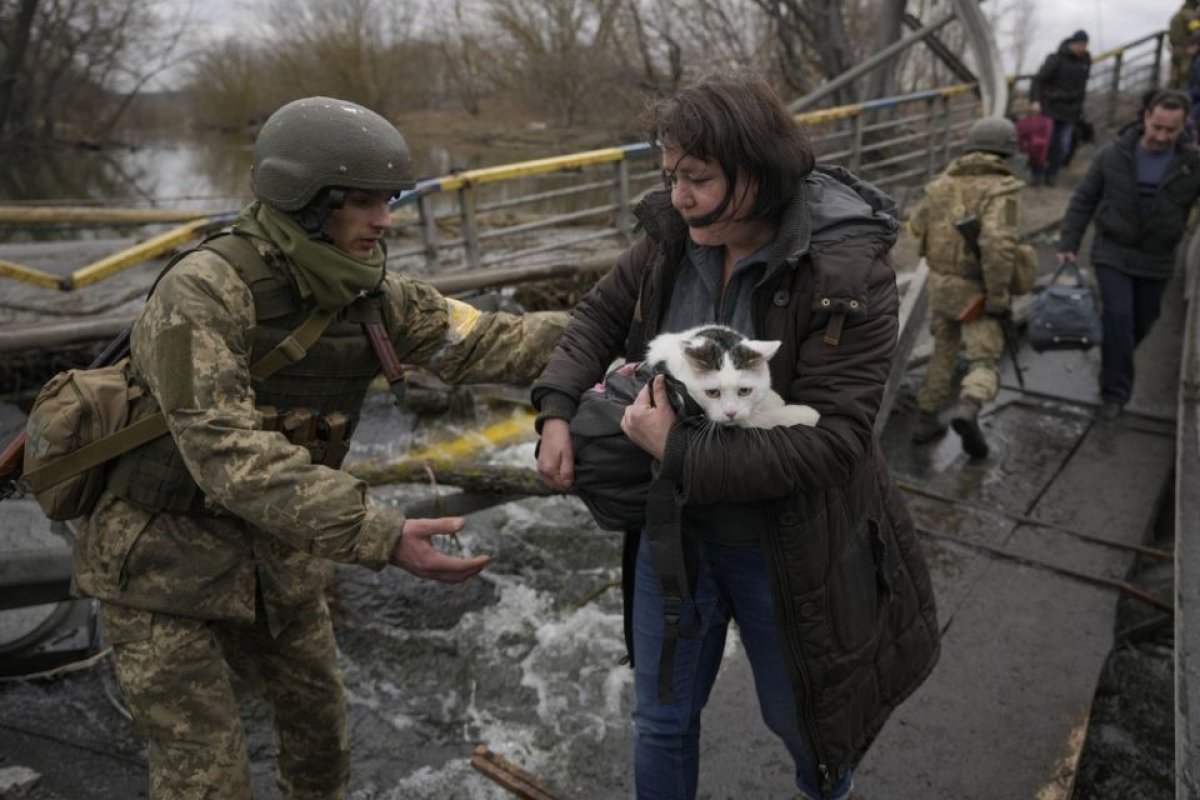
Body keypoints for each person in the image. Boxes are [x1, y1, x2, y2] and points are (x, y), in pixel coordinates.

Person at [71, 96, 568, 799]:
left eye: (388, 201)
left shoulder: (375, 296)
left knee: (322, 746)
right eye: (364, 203)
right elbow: (225, 452)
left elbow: (495, 342)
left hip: (278, 562)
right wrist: (381, 533)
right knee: (204, 779)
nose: (387, 220)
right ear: (307, 201)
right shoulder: (203, 294)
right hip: (159, 568)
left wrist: (630, 325)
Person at [532, 72, 940, 800]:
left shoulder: (845, 272)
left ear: (758, 171)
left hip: (786, 546)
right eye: (669, 175)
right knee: (660, 720)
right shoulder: (670, 240)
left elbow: (836, 440)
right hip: (677, 531)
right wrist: (557, 410)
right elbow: (597, 317)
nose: (678, 196)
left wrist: (679, 448)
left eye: (697, 178)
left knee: (805, 723)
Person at [1058, 89, 1200, 419]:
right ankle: (1115, 396)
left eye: (1171, 131)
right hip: (1113, 251)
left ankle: (1113, 361)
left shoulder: (1190, 165)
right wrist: (1069, 243)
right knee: (1119, 318)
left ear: (1183, 128)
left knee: (1142, 322)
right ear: (1146, 117)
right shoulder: (1113, 155)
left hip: (1158, 258)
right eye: (1158, 127)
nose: (1162, 136)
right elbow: (1084, 200)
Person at [907, 117, 1030, 458]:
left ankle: (925, 419)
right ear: (1007, 150)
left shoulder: (941, 185)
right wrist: (998, 296)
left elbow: (914, 229)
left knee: (943, 351)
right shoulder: (1004, 191)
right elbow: (1000, 245)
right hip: (979, 290)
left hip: (941, 285)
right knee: (984, 359)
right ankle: (968, 408)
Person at [1030, 30, 1092, 187]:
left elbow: (1082, 88)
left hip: (1070, 111)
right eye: (1079, 44)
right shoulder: (1056, 59)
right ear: (1072, 43)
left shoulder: (1085, 63)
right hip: (1050, 107)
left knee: (1063, 146)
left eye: (1083, 45)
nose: (1081, 48)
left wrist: (1079, 108)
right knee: (1043, 143)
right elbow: (1039, 80)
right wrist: (1036, 100)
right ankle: (1037, 174)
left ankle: (1052, 175)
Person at [1169, 0, 1200, 88]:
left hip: (1176, 51)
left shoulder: (1177, 15)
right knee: (1185, 79)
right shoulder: (1190, 15)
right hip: (1187, 51)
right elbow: (1197, 32)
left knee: (1174, 80)